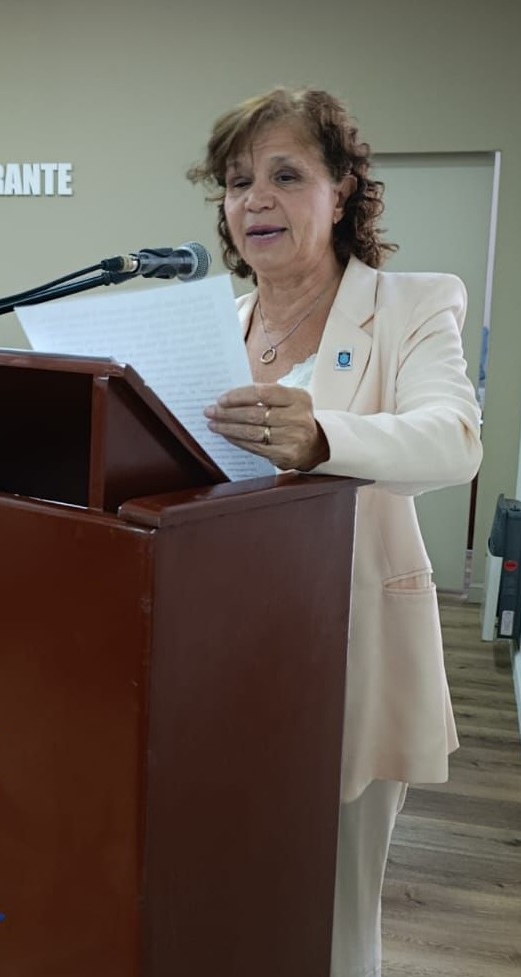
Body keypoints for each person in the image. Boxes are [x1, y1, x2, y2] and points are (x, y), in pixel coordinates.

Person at [189, 87, 483, 977]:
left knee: (333, 919)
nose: (255, 201)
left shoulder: (409, 305)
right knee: (223, 893)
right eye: (237, 182)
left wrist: (323, 437)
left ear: (343, 189)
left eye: (285, 176)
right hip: (214, 655)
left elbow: (453, 439)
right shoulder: (212, 324)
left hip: (346, 650)